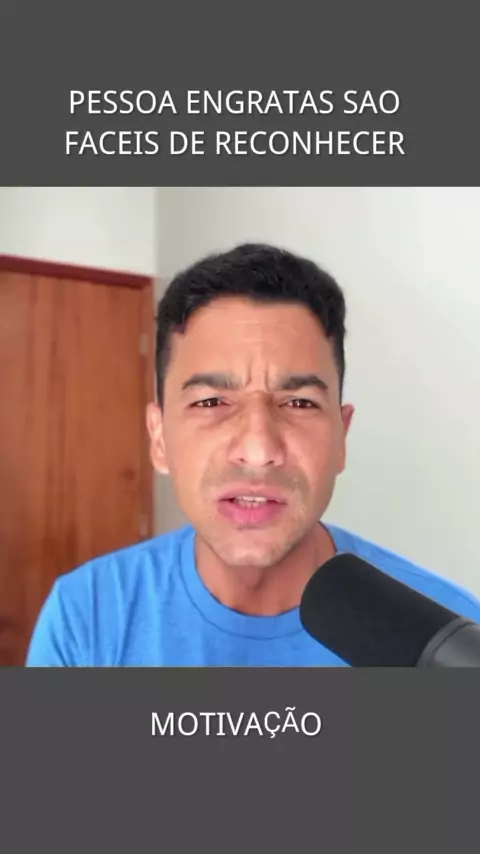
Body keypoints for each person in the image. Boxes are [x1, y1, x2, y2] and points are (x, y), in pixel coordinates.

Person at [26, 243, 480, 666]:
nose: (259, 450)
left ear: (342, 438)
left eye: (299, 403)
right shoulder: (86, 616)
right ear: (159, 438)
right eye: (211, 402)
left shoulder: (448, 642)